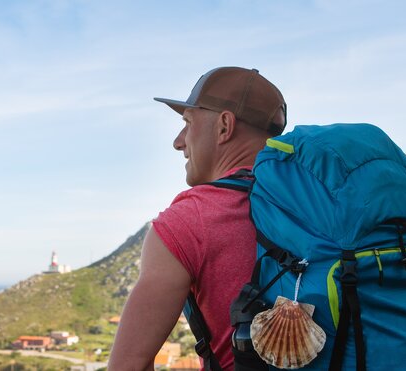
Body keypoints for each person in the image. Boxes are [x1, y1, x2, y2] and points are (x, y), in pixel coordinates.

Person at [108, 67, 286, 371]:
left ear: (224, 126)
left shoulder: (192, 220)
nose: (179, 142)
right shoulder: (318, 201)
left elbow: (128, 366)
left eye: (187, 123)